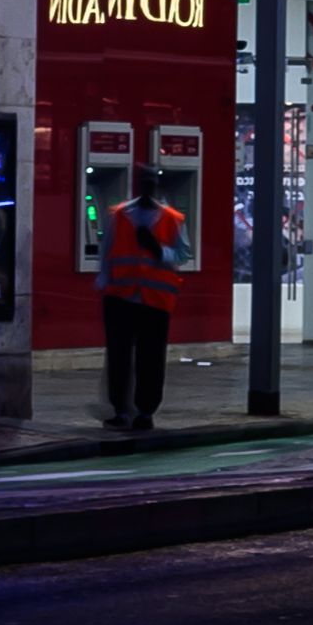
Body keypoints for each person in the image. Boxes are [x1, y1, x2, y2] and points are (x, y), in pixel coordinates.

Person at [98, 164, 204, 431]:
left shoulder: (172, 218)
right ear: (139, 185)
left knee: (152, 359)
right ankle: (121, 410)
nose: (148, 186)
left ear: (157, 186)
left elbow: (183, 254)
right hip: (121, 297)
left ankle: (145, 412)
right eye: (144, 181)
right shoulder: (120, 215)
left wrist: (158, 250)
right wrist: (103, 281)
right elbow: (107, 250)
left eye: (151, 182)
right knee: (119, 358)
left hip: (155, 300)